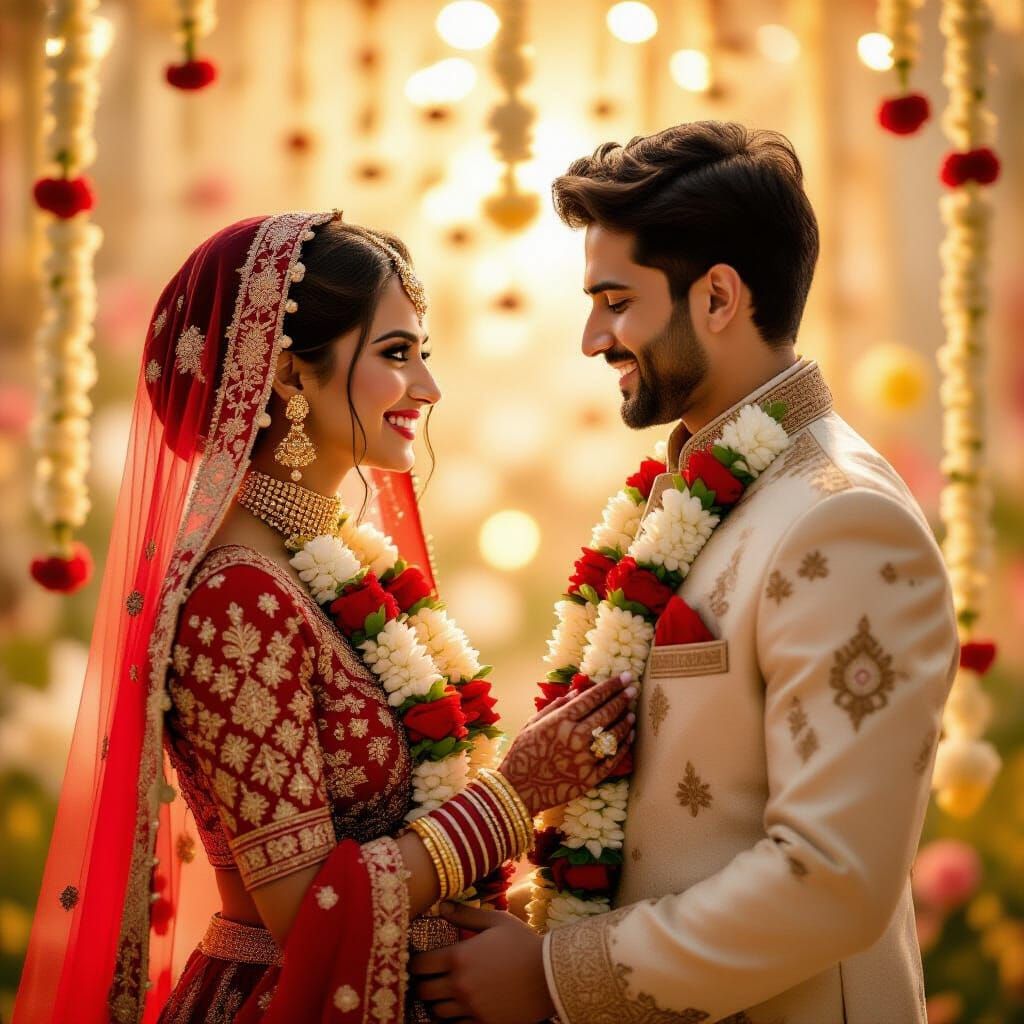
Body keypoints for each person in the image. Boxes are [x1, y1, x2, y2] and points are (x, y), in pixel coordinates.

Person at [13, 211, 636, 1024]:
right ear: (286, 376)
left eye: (423, 355)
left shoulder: (326, 563)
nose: (427, 389)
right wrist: (513, 797)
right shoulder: (238, 596)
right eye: (396, 355)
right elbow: (303, 909)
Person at [410, 121, 959, 1024]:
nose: (593, 338)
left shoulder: (843, 521)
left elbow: (834, 879)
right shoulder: (699, 490)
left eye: (616, 301)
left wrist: (554, 977)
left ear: (717, 298)